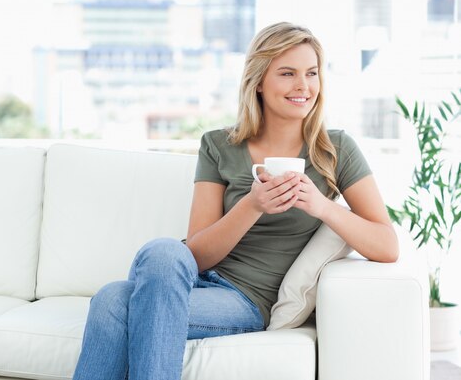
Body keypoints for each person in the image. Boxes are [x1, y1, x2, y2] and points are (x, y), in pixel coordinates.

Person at [72, 22, 399, 380]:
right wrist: (252, 205)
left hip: (245, 299)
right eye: (287, 74)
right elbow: (196, 255)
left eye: (311, 73)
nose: (303, 86)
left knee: (111, 302)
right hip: (189, 280)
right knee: (164, 251)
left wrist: (321, 205)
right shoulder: (217, 145)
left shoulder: (336, 150)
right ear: (259, 81)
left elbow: (387, 245)